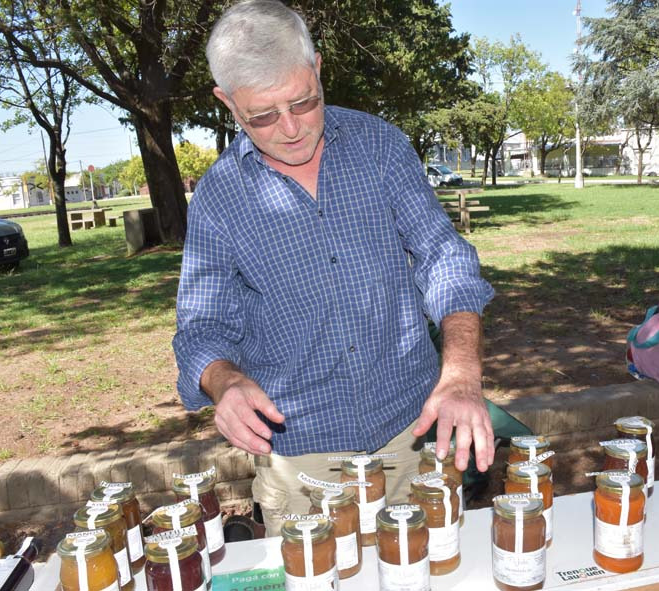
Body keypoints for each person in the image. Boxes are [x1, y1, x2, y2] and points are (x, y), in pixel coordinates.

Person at [173, 0, 495, 534]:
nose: (292, 128)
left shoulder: (380, 146)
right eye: (262, 116)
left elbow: (443, 256)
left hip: (413, 435)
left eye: (304, 102)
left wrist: (461, 370)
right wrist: (224, 382)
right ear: (226, 103)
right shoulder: (218, 199)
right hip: (301, 464)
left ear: (319, 69)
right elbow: (201, 328)